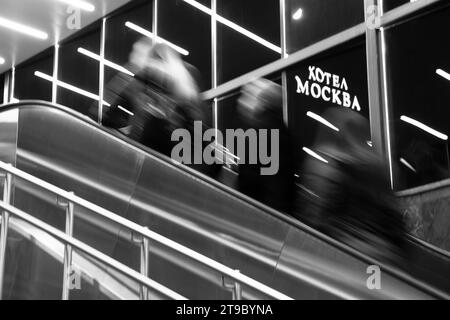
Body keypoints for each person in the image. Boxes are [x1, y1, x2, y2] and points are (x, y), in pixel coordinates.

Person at [293, 107, 407, 262]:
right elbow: (396, 222)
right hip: (385, 258)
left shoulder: (329, 166)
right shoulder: (381, 170)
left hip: (346, 254)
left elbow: (317, 214)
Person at [235, 79, 295, 213]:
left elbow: (249, 182)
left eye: (248, 96)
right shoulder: (283, 132)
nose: (241, 102)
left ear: (263, 102)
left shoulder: (259, 133)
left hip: (260, 213)